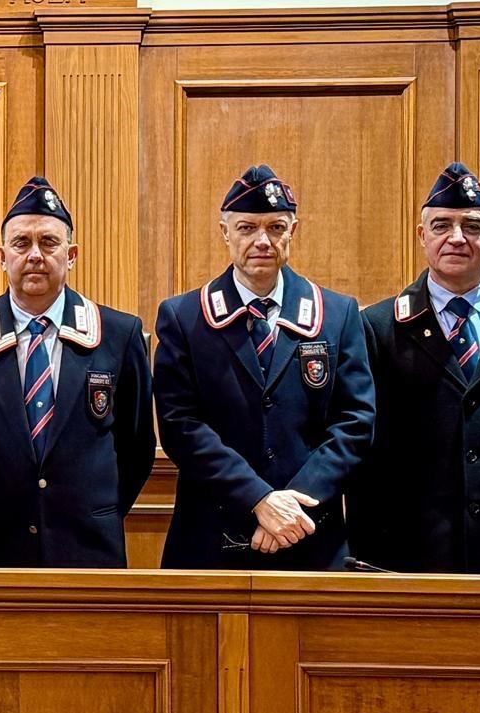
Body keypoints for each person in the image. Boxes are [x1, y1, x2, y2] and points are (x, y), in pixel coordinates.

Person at [153, 165, 374, 570]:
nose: (262, 241)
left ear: (293, 230)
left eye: (275, 227)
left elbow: (356, 423)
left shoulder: (337, 314)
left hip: (310, 535)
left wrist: (290, 505)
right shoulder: (183, 317)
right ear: (225, 232)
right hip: (211, 538)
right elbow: (179, 426)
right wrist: (258, 499)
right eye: (246, 228)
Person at [0, 176, 154, 566]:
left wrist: (94, 510)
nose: (35, 254)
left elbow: (136, 446)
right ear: (1, 257)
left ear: (71, 255)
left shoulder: (119, 335)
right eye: (21, 243)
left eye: (49, 242)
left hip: (90, 551)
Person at [348, 164, 480, 572]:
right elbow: (361, 446)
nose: (456, 238)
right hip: (409, 550)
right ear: (422, 235)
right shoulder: (378, 327)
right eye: (441, 225)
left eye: (471, 225)